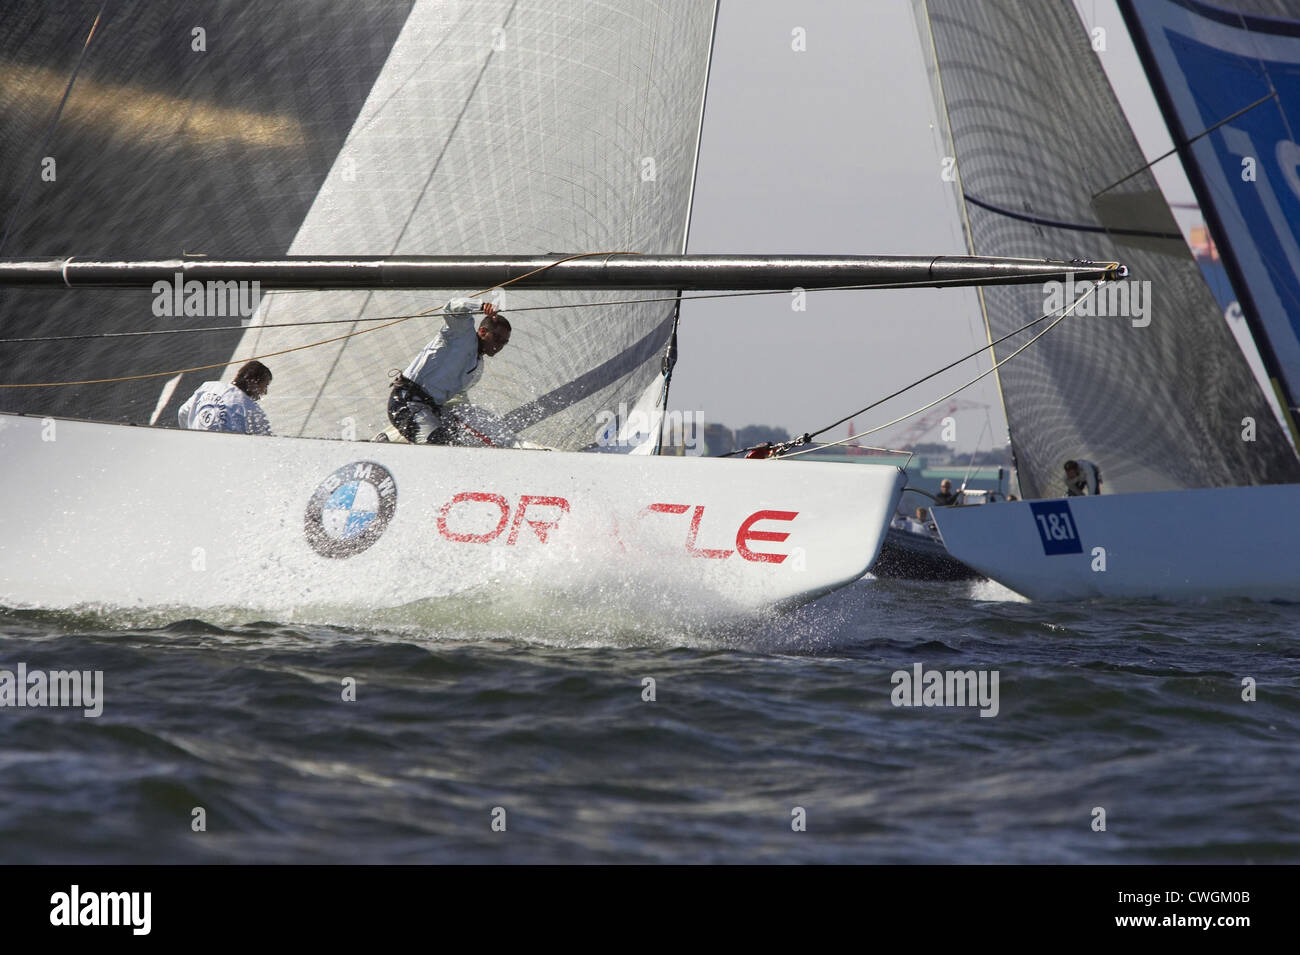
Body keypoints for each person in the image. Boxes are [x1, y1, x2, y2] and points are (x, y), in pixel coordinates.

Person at [388, 298, 511, 444]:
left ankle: (394, 440)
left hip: (431, 409)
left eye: (504, 342)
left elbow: (458, 397)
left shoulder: (477, 367)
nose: (499, 345)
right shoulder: (461, 333)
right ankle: (389, 440)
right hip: (406, 401)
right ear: (483, 331)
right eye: (497, 338)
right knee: (438, 445)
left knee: (462, 443)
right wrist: (481, 305)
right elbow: (451, 307)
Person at [177, 360, 272, 435]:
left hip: (195, 449)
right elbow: (265, 442)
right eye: (265, 386)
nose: (264, 392)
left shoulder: (208, 386)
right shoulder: (253, 411)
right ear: (252, 382)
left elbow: (182, 412)